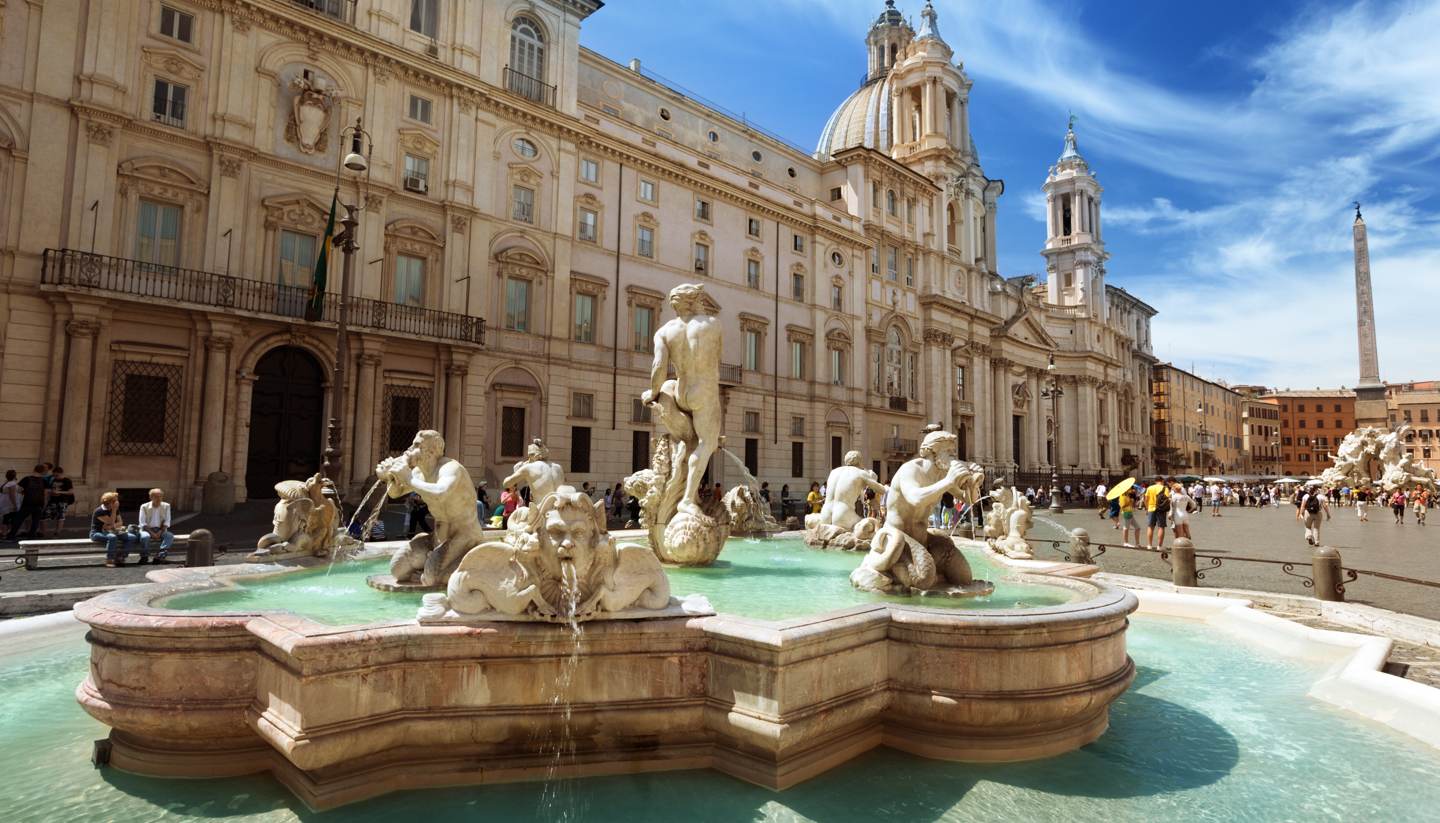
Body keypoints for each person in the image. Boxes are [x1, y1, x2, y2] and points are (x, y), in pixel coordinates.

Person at [92, 491, 138, 567]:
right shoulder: (99, 511)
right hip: (97, 532)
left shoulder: (115, 509)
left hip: (113, 531)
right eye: (115, 501)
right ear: (109, 502)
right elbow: (111, 522)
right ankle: (109, 559)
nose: (117, 503)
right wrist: (114, 510)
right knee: (112, 537)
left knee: (132, 537)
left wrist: (111, 526)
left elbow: (120, 522)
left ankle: (121, 557)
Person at [5, 464, 48, 541]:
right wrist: (44, 504)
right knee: (36, 520)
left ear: (34, 469)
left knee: (19, 519)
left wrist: (25, 492)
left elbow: (19, 490)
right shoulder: (44, 481)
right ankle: (31, 536)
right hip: (39, 503)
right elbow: (45, 493)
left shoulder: (27, 479)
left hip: (28, 502)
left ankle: (11, 535)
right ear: (42, 471)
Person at [137, 488, 174, 563]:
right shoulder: (144, 506)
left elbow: (167, 521)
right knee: (145, 537)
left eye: (160, 496)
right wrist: (152, 533)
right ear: (151, 497)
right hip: (147, 529)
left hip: (161, 529)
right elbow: (142, 523)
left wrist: (160, 532)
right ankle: (144, 556)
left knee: (169, 535)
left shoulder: (166, 506)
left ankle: (160, 556)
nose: (159, 498)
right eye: (156, 496)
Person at [42, 466, 75, 537]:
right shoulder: (52, 480)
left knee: (60, 517)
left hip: (62, 501)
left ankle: (57, 532)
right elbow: (49, 489)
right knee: (44, 515)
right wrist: (51, 492)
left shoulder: (67, 481)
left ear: (61, 473)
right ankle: (43, 533)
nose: (55, 477)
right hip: (52, 501)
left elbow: (71, 492)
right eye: (54, 475)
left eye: (57, 475)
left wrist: (60, 492)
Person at [1143, 476, 1170, 551]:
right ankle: (1159, 546)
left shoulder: (1150, 488)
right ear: (1162, 481)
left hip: (1151, 508)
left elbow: (1145, 499)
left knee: (1150, 527)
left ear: (1155, 481)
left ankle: (1149, 545)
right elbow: (1168, 499)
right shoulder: (1165, 488)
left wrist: (1147, 508)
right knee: (1161, 527)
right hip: (1161, 509)